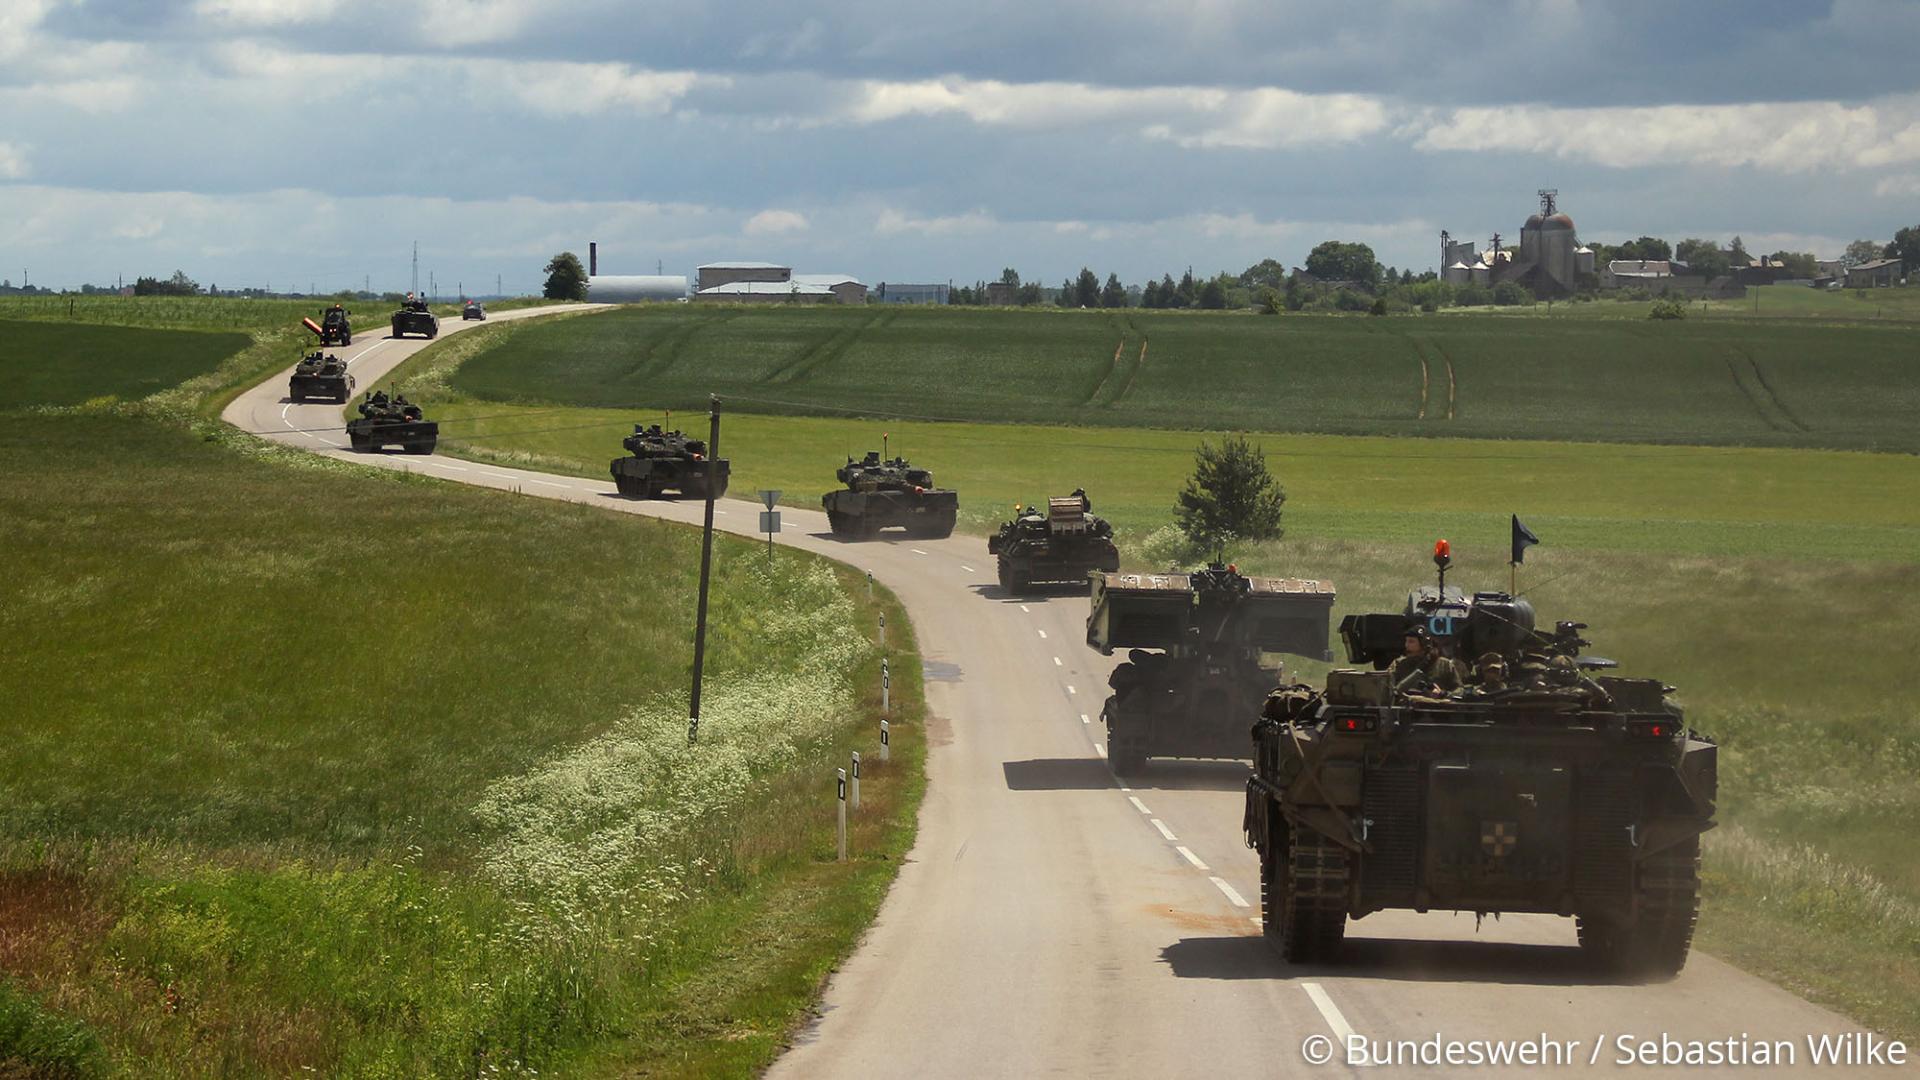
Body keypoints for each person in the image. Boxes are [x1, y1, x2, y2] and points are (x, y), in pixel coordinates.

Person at [1390, 626, 1462, 696]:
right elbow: (1387, 688)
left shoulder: (1445, 665)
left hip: (1435, 703)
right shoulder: (1399, 664)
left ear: (1424, 644)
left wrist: (1443, 693)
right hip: (1405, 703)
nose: (1406, 645)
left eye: (1411, 642)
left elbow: (1460, 690)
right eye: (1406, 641)